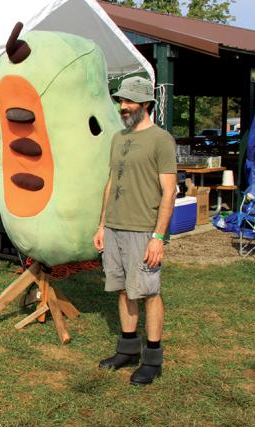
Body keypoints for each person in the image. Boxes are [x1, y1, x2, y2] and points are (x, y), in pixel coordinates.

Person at [92, 76, 177, 386]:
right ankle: (127, 349)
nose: (123, 106)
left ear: (146, 104)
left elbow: (169, 192)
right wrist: (102, 224)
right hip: (114, 227)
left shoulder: (161, 139)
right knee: (124, 289)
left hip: (144, 229)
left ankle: (152, 358)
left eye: (129, 102)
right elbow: (111, 183)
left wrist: (158, 237)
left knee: (149, 292)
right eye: (121, 101)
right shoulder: (118, 138)